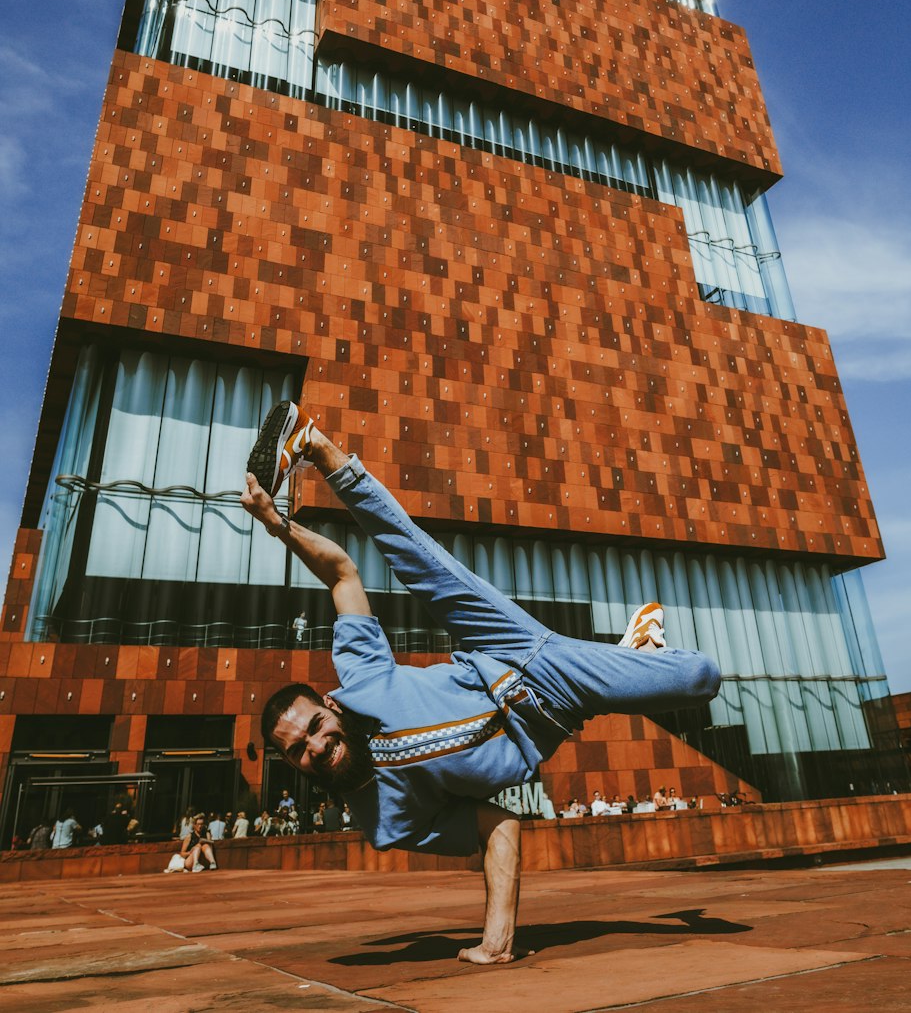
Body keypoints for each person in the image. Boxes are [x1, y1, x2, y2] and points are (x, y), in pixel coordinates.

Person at [242, 400, 721, 965]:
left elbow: (342, 574)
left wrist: (278, 526)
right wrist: (497, 941)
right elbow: (499, 826)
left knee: (413, 554)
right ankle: (630, 653)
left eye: (316, 727)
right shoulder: (386, 822)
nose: (318, 746)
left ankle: (312, 443)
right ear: (289, 763)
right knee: (700, 679)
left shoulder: (359, 681)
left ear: (329, 706)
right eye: (299, 751)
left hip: (504, 649)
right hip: (554, 703)